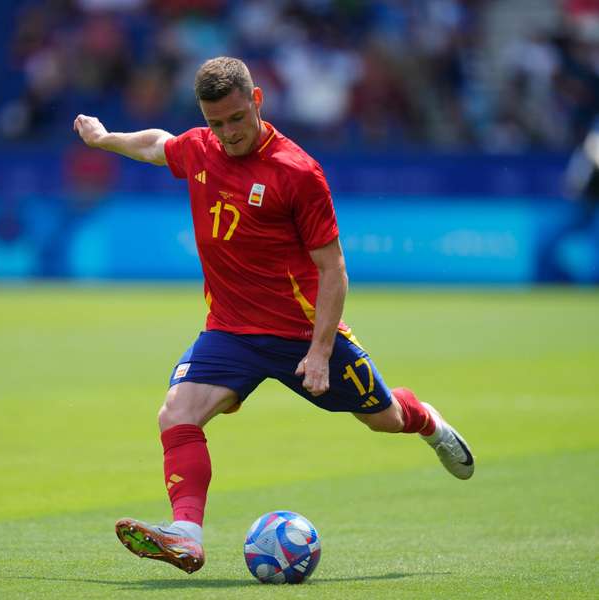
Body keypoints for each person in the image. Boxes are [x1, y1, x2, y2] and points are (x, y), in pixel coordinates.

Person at [73, 57, 474, 575]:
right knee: (175, 414)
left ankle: (426, 419)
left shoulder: (297, 172)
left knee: (383, 419)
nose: (227, 134)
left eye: (236, 119)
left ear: (257, 100)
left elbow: (333, 270)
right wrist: (105, 139)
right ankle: (187, 534)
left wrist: (321, 352)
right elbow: (156, 144)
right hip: (230, 330)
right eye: (215, 123)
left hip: (301, 334)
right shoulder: (201, 146)